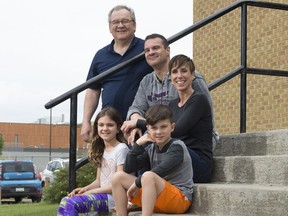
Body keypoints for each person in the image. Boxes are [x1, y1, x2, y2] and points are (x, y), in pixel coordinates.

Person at [81, 5, 153, 143]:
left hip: (140, 124)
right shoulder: (100, 56)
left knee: (136, 163)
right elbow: (93, 90)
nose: (120, 25)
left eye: (125, 21)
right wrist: (85, 121)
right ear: (109, 27)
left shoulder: (147, 50)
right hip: (110, 125)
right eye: (115, 22)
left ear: (134, 25)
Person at [112, 105, 193, 216]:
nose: (158, 132)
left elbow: (161, 170)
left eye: (163, 127)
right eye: (154, 128)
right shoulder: (151, 148)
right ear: (148, 129)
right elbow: (128, 168)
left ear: (172, 127)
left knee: (148, 176)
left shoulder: (177, 147)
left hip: (179, 199)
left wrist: (136, 183)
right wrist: (137, 144)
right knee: (118, 177)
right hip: (156, 198)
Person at [57, 107, 129, 216]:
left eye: (110, 125)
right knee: (65, 200)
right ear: (96, 127)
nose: (105, 128)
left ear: (118, 128)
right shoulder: (102, 150)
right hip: (102, 195)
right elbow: (98, 181)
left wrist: (90, 192)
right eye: (101, 125)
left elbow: (119, 185)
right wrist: (83, 190)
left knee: (72, 203)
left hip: (115, 199)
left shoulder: (121, 149)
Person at [168, 54, 213, 183]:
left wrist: (138, 122)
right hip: (177, 159)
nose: (179, 76)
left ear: (193, 75)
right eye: (174, 72)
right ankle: (140, 186)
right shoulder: (171, 104)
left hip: (199, 165)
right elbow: (159, 126)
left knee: (174, 145)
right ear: (171, 78)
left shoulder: (199, 100)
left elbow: (177, 130)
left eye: (184, 71)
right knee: (144, 141)